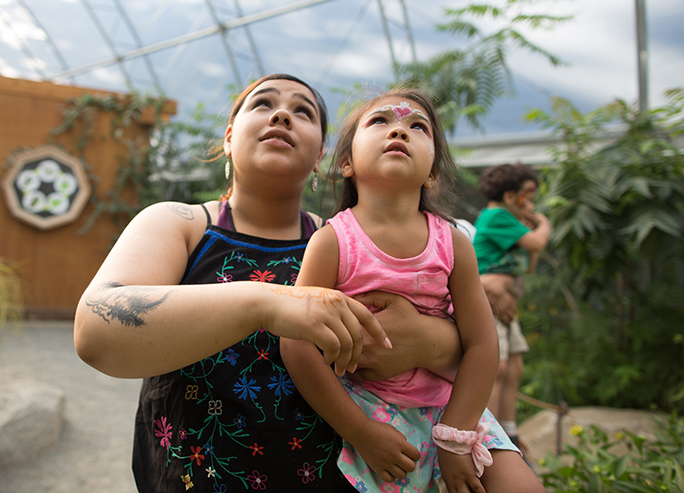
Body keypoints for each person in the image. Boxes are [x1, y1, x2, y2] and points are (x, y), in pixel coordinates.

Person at [73, 74, 463, 492]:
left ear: (323, 156)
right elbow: (95, 335)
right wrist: (266, 304)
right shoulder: (179, 225)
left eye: (303, 111)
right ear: (228, 137)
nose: (281, 114)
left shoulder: (349, 243)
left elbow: (472, 349)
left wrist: (429, 340)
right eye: (262, 104)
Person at [280, 87, 544, 492]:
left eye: (417, 126)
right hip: (367, 411)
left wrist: (455, 437)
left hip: (452, 407)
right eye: (381, 121)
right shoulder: (332, 242)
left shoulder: (453, 243)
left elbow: (482, 343)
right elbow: (295, 343)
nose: (399, 130)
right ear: (346, 162)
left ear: (434, 170)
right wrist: (361, 431)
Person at [473, 163, 551, 451]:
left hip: (504, 303)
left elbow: (530, 263)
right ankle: (489, 436)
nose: (529, 205)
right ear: (509, 197)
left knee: (514, 364)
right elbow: (538, 243)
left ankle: (509, 431)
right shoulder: (496, 217)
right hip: (488, 304)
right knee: (498, 366)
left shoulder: (508, 222)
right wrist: (544, 224)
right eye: (526, 198)